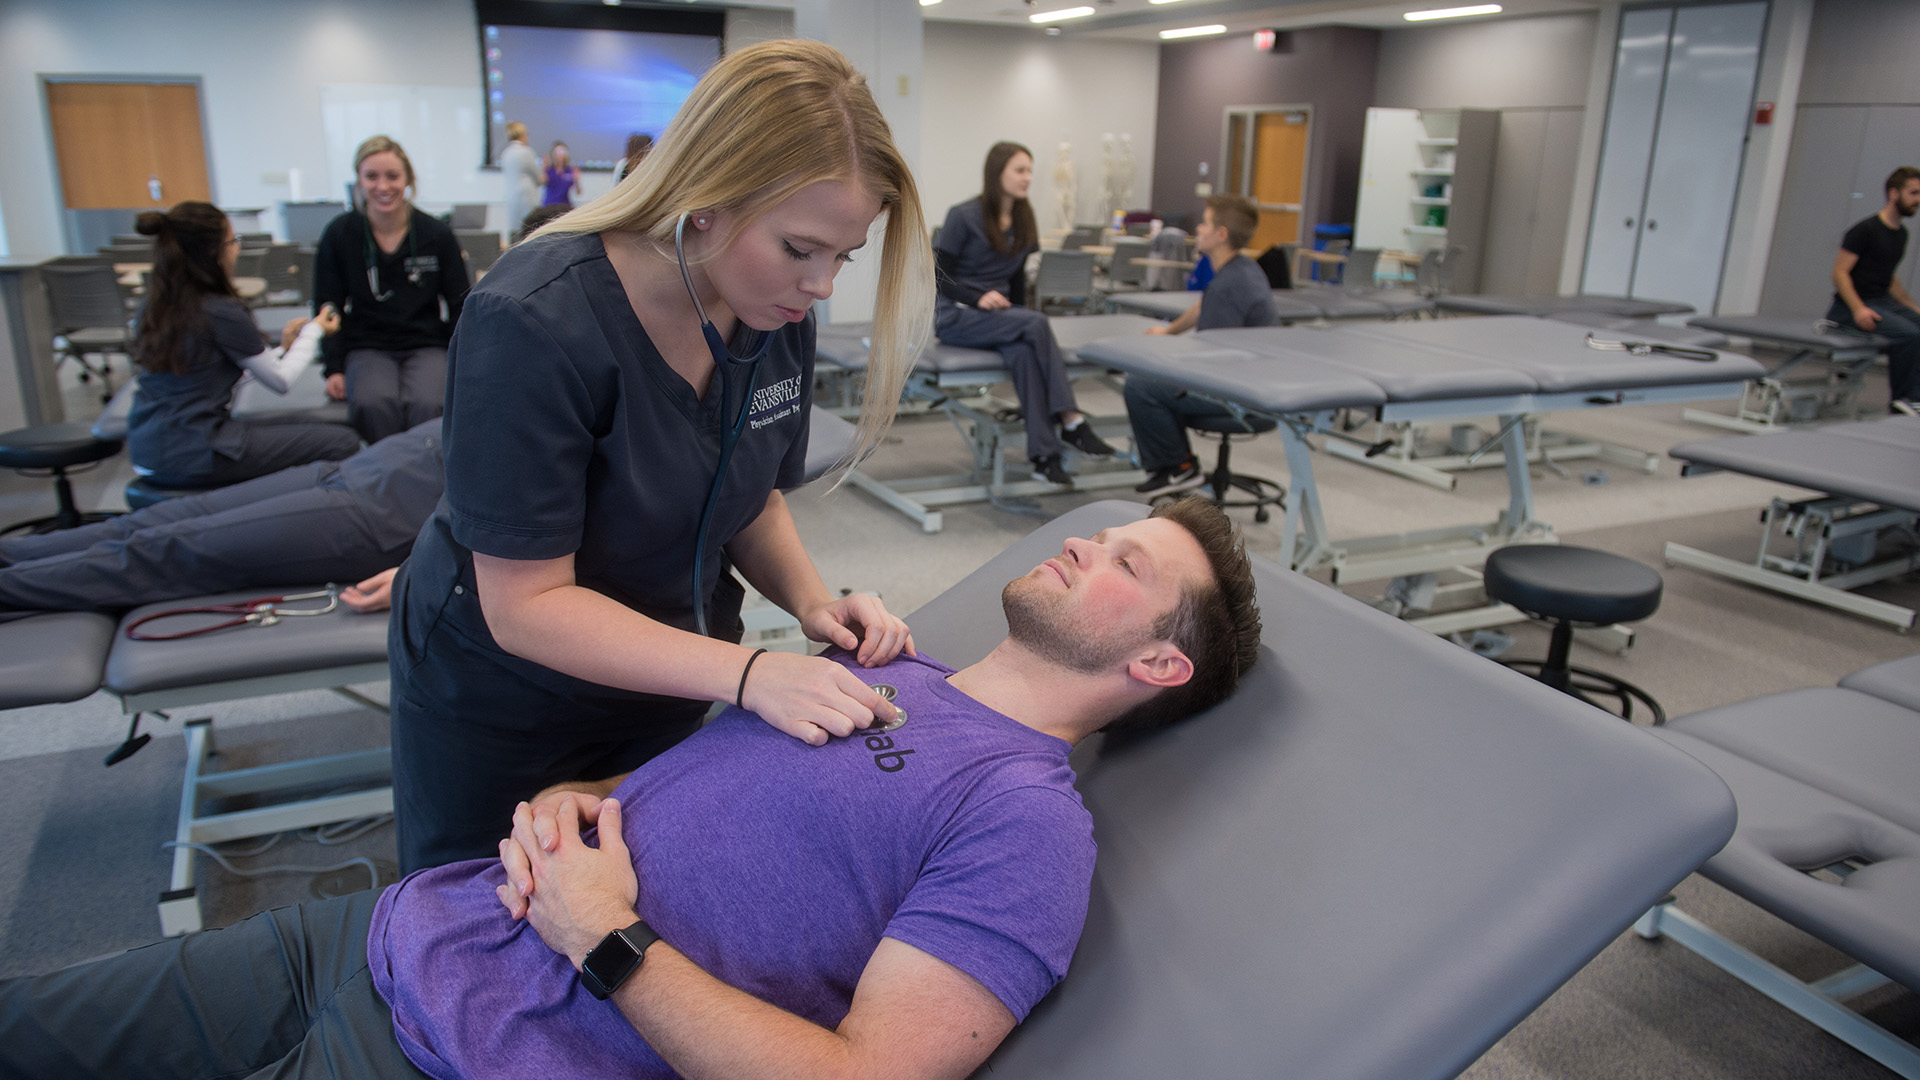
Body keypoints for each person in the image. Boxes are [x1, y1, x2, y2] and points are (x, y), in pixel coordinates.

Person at [0, 497, 1263, 1080]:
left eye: (1129, 559)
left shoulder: (1029, 823)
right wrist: (576, 799)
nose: (1086, 536)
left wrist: (600, 934)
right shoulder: (884, 663)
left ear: (1158, 659)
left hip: (450, 1054)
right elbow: (676, 798)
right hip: (385, 929)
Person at [387, 39, 935, 874]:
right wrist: (752, 675)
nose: (822, 284)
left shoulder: (773, 311)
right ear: (704, 203)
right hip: (510, 698)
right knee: (475, 928)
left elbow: (746, 493)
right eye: (800, 248)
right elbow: (527, 605)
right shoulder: (533, 320)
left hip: (675, 672)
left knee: (642, 897)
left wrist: (813, 604)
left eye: (842, 256)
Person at [0, 421, 441, 614]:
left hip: (379, 516)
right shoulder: (503, 325)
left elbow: (505, 525)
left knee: (168, 549)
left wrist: (419, 573)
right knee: (154, 520)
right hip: (370, 467)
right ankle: (11, 554)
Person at [123, 203, 361, 489]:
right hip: (195, 451)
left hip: (149, 446)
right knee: (342, 442)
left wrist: (283, 351)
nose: (236, 249)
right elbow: (281, 381)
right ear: (213, 252)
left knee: (328, 426)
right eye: (233, 241)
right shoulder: (220, 310)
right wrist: (315, 330)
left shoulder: (156, 305)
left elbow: (213, 370)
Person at [934, 141, 1117, 487]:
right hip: (957, 317)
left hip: (1000, 319)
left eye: (1030, 171)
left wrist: (1016, 315)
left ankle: (1043, 457)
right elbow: (939, 275)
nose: (1027, 178)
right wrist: (977, 297)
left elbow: (1016, 277)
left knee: (1024, 352)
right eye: (1019, 170)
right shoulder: (963, 215)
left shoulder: (1023, 216)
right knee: (1036, 322)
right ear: (997, 173)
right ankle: (1072, 420)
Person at [313, 136, 471, 444]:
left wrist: (464, 360)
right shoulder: (340, 234)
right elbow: (327, 304)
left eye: (393, 176)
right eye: (372, 177)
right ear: (359, 180)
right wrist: (333, 368)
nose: (383, 187)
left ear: (408, 179)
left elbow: (460, 304)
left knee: (429, 404)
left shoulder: (436, 234)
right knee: (373, 403)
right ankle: (382, 481)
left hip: (425, 343)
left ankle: (426, 480)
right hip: (366, 345)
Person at [1125, 194, 1280, 496]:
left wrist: (1165, 363)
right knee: (1158, 381)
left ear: (1221, 234)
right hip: (1255, 379)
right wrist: (1169, 332)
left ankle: (1179, 467)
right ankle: (1175, 462)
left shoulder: (1228, 287)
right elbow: (1202, 305)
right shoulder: (1241, 268)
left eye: (1205, 222)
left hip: (1239, 393)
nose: (1198, 228)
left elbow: (1209, 361)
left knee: (1140, 386)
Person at [1828, 164, 1920, 411]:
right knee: (1910, 335)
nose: (1918, 200)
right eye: (1913, 193)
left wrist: (1914, 308)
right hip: (1848, 309)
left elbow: (1889, 278)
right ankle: (1904, 401)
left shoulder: (1901, 234)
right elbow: (1839, 273)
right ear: (1893, 193)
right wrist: (1858, 310)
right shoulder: (1865, 230)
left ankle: (1916, 396)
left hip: (1883, 303)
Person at [500, 121, 543, 247]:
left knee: (514, 231)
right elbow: (539, 177)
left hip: (511, 197)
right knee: (529, 230)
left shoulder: (506, 153)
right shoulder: (526, 152)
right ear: (523, 135)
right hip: (526, 197)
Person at [542, 141, 583, 207]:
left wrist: (577, 180)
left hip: (564, 206)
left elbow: (578, 192)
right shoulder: (549, 170)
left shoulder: (570, 171)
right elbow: (542, 182)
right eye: (558, 152)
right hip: (549, 206)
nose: (560, 154)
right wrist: (543, 169)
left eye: (562, 151)